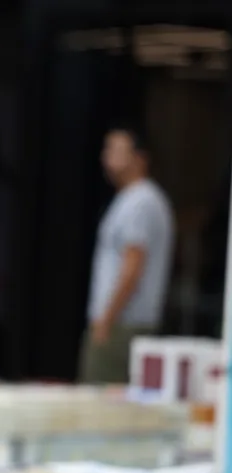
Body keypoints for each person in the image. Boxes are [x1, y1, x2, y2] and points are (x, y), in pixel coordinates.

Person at [80, 125, 174, 384]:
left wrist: (106, 319)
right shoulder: (129, 199)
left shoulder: (141, 202)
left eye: (116, 150)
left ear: (140, 158)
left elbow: (133, 266)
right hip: (119, 322)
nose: (107, 157)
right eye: (106, 149)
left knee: (102, 404)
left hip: (123, 324)